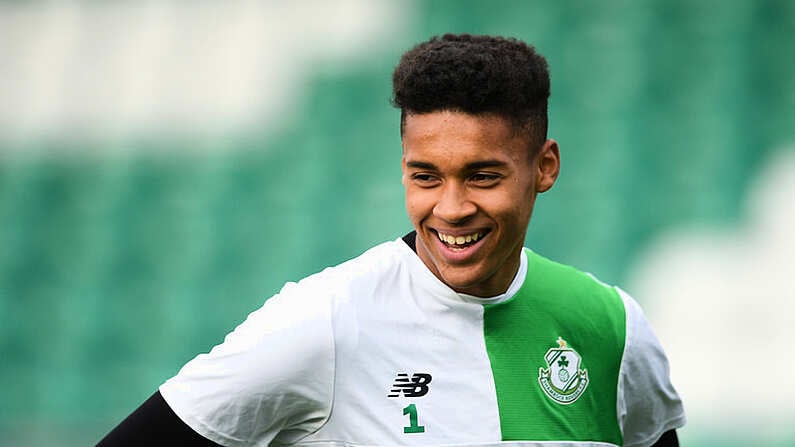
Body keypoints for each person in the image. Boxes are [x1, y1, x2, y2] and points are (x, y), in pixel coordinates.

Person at [98, 33, 685, 447]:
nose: (451, 209)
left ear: (545, 166)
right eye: (425, 176)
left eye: (483, 176)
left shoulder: (611, 326)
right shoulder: (322, 320)